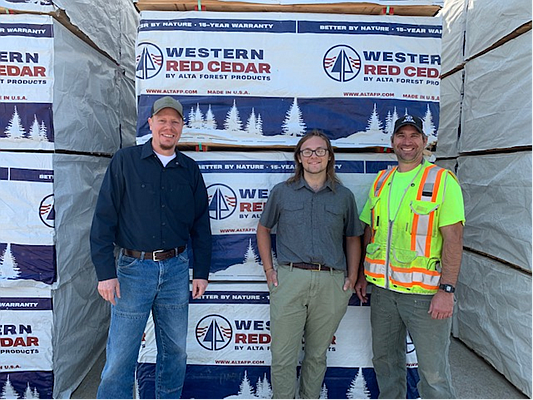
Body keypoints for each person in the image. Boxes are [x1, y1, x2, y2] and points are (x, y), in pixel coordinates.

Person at [90, 96, 212, 399]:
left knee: (175, 353)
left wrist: (202, 273)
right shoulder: (125, 162)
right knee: (120, 356)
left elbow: (201, 226)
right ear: (151, 124)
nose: (168, 127)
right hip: (133, 271)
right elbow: (103, 219)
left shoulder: (190, 170)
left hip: (176, 270)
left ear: (182, 127)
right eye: (162, 120)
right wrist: (105, 273)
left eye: (175, 121)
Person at [355, 114, 465, 399]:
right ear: (392, 142)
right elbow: (370, 229)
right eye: (401, 136)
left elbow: (454, 239)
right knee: (386, 365)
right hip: (383, 293)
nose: (407, 142)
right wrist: (362, 276)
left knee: (434, 374)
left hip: (426, 297)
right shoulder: (381, 181)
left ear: (424, 142)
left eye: (413, 136)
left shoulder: (442, 181)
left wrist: (447, 290)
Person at [256, 130, 363, 400]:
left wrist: (351, 276)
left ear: (329, 157)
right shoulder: (282, 193)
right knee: (282, 356)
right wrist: (270, 270)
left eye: (320, 151)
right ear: (299, 158)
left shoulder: (344, 196)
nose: (314, 156)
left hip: (331, 283)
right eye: (307, 151)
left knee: (316, 356)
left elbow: (353, 237)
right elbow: (263, 229)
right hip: (291, 280)